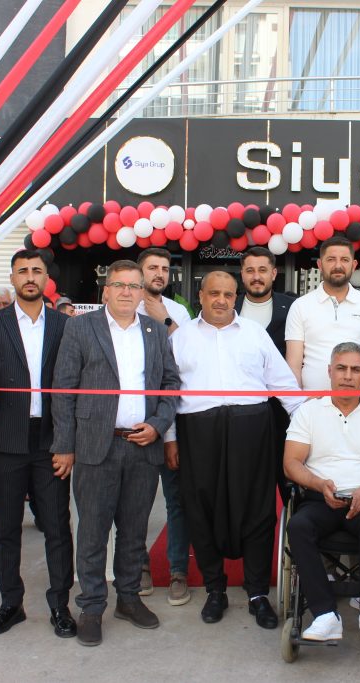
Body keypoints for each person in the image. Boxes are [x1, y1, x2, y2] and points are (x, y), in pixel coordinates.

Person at [51, 259, 180, 647]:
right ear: (105, 290)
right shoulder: (80, 328)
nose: (127, 292)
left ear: (142, 293)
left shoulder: (155, 332)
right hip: (95, 446)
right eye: (120, 285)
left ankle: (128, 598)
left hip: (142, 446)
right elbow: (63, 390)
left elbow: (170, 385)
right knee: (92, 532)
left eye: (134, 286)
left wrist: (157, 425)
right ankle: (92, 606)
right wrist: (64, 446)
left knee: (134, 531)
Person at [164, 271, 303, 628]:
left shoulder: (255, 334)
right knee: (201, 509)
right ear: (201, 296)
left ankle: (257, 593)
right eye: (214, 293)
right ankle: (215, 590)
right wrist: (170, 438)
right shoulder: (181, 338)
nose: (221, 300)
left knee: (258, 509)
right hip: (198, 432)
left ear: (235, 296)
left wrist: (308, 428)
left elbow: (284, 385)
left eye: (228, 294)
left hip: (251, 430)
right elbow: (168, 392)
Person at [0, 250, 75, 639]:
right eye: (22, 271)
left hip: (51, 440)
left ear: (47, 278)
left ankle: (60, 605)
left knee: (57, 527)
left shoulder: (65, 326)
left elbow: (73, 383)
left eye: (36, 271)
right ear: (12, 278)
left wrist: (68, 442)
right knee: (6, 528)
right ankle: (10, 604)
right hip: (7, 439)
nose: (30, 277)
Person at [285, 342, 360, 645]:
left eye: (355, 369)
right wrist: (319, 484)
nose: (347, 376)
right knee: (297, 525)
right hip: (321, 498)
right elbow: (291, 462)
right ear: (330, 371)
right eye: (341, 368)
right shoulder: (308, 412)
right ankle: (325, 614)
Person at [135, 247, 193, 605]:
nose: (159, 274)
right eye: (152, 267)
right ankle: (139, 566)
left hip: (171, 421)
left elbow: (188, 362)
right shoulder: (123, 309)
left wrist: (165, 321)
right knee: (136, 503)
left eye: (164, 269)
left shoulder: (178, 312)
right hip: (134, 424)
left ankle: (177, 571)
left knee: (177, 502)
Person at [285, 236, 360, 390]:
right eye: (331, 259)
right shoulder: (300, 306)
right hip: (312, 401)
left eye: (344, 260)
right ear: (320, 265)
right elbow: (293, 365)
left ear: (353, 265)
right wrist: (298, 403)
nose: (338, 265)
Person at [235, 246, 298, 502]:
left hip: (283, 406)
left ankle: (293, 523)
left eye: (262, 270)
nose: (256, 276)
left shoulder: (293, 307)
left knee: (287, 473)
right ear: (242, 274)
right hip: (242, 408)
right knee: (247, 478)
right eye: (250, 270)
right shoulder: (229, 305)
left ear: (273, 273)